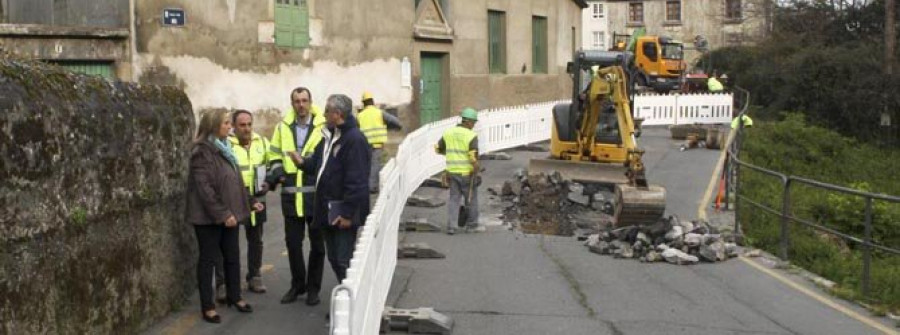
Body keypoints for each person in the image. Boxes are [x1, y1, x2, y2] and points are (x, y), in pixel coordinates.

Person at [186, 109, 261, 323]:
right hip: (208, 218)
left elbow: (235, 182)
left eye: (230, 123)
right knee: (208, 261)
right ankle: (208, 307)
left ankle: (235, 297)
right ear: (213, 126)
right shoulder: (202, 151)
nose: (230, 127)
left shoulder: (226, 148)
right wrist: (224, 213)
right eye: (226, 123)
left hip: (229, 215)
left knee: (232, 257)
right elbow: (205, 190)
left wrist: (250, 200)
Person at [294, 94, 371, 283]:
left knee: (343, 260)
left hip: (342, 211)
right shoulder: (330, 135)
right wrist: (302, 162)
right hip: (328, 209)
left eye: (327, 111)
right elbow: (319, 164)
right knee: (334, 258)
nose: (323, 114)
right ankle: (347, 300)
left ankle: (352, 306)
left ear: (337, 114)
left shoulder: (354, 139)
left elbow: (357, 181)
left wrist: (347, 213)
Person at [267, 87, 327, 306]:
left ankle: (313, 289)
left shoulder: (323, 127)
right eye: (296, 101)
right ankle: (297, 285)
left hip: (315, 195)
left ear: (311, 102)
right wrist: (279, 175)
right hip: (291, 195)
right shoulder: (282, 127)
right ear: (292, 104)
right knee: (293, 244)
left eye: (304, 100)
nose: (301, 105)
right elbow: (273, 155)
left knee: (318, 247)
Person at [213, 110, 270, 295]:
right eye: (242, 125)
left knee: (256, 240)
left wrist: (269, 181)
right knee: (228, 243)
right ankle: (223, 282)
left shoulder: (261, 142)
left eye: (249, 124)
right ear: (234, 127)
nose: (246, 129)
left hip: (257, 199)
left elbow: (272, 165)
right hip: (233, 200)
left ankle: (254, 276)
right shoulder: (226, 145)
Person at [436, 108, 482, 235]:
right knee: (471, 199)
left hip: (452, 173)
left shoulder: (448, 133)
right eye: (473, 122)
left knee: (454, 199)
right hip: (466, 174)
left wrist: (451, 154)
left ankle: (452, 226)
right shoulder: (471, 136)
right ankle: (472, 225)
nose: (473, 125)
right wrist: (477, 168)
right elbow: (472, 156)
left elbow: (438, 149)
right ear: (468, 122)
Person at [357, 91, 403, 193]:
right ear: (372, 101)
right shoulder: (379, 112)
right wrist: (393, 127)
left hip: (364, 145)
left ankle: (365, 185)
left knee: (365, 165)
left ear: (363, 103)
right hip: (377, 144)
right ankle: (372, 187)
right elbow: (396, 122)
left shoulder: (360, 115)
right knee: (375, 165)